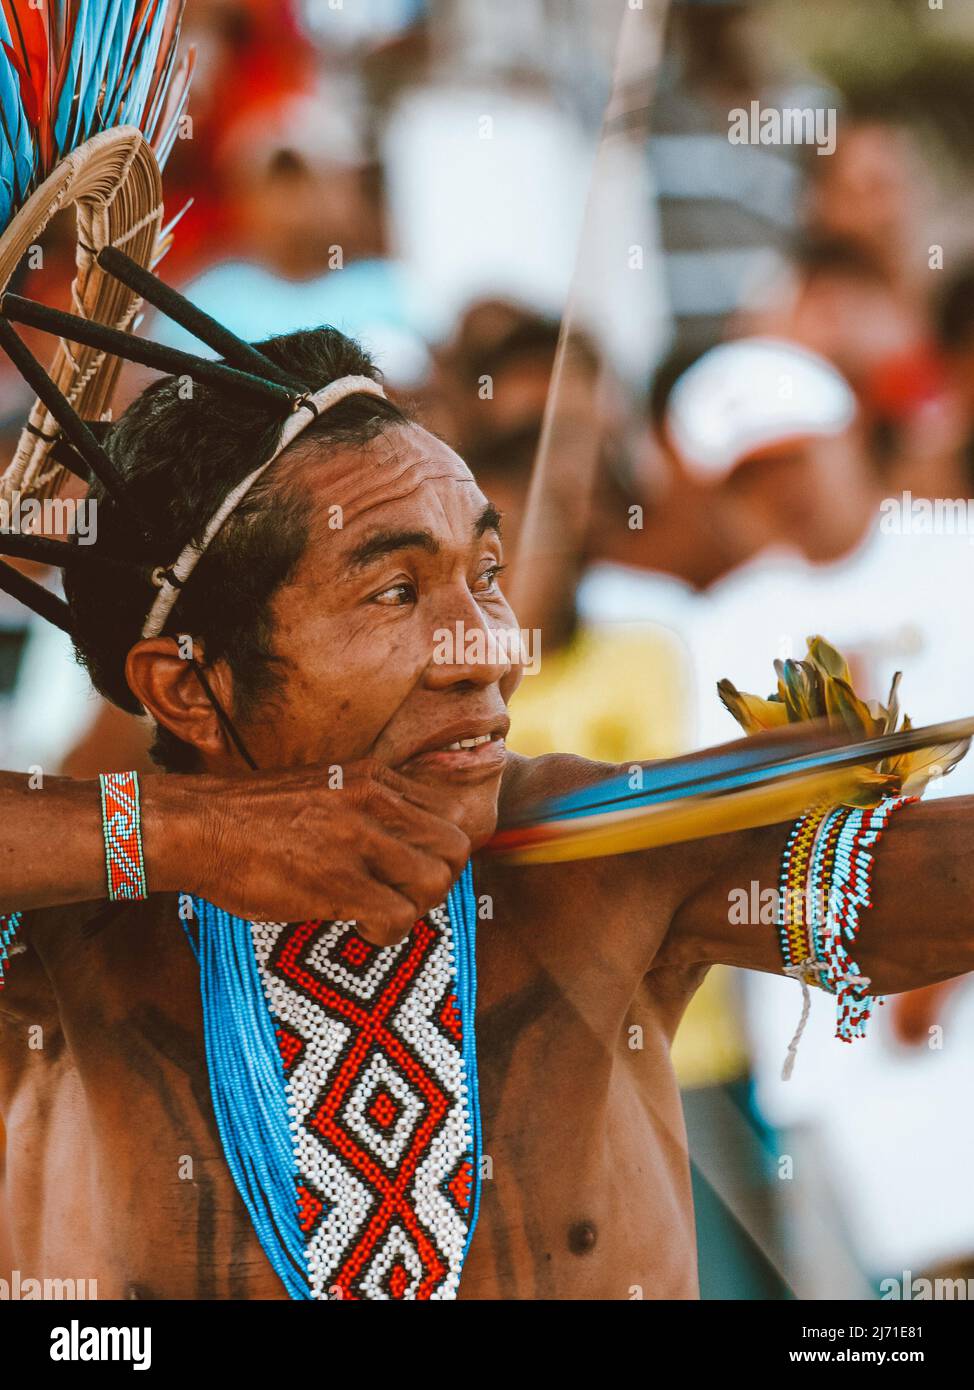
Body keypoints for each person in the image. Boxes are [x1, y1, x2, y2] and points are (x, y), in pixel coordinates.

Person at [2, 321, 974, 1302]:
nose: (491, 649)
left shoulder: (582, 848)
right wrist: (195, 834)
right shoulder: (67, 935)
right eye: (394, 590)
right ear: (186, 689)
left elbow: (933, 882)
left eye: (486, 576)